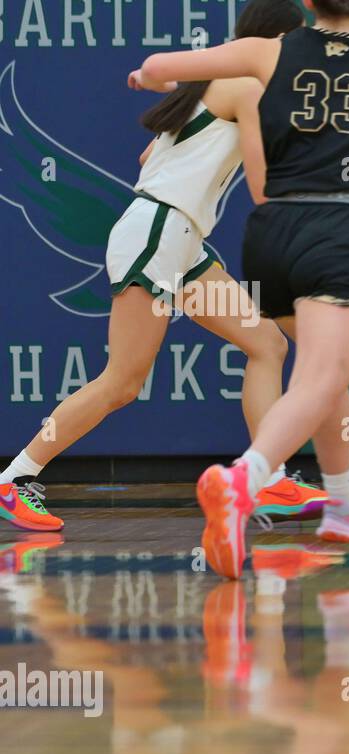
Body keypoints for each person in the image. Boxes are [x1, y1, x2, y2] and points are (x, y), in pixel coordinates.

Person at [129, 0, 349, 577]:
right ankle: (244, 481)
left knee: (324, 369)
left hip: (273, 233)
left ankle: (343, 500)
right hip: (344, 229)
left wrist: (149, 76)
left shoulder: (266, 51)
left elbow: (161, 66)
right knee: (323, 375)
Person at [0, 0, 325, 534]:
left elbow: (148, 159)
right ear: (270, 42)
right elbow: (266, 188)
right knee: (122, 382)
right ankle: (17, 477)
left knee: (267, 344)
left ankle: (266, 479)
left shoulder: (209, 89)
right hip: (157, 237)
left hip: (181, 247)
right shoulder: (243, 89)